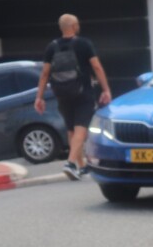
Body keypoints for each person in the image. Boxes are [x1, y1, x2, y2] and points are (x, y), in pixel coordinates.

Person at [34, 14, 112, 180]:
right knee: (81, 130)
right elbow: (96, 67)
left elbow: (45, 74)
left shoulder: (51, 47)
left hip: (62, 93)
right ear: (74, 26)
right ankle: (70, 163)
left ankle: (81, 167)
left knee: (71, 130)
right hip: (82, 92)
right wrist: (106, 89)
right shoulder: (84, 44)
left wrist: (39, 97)